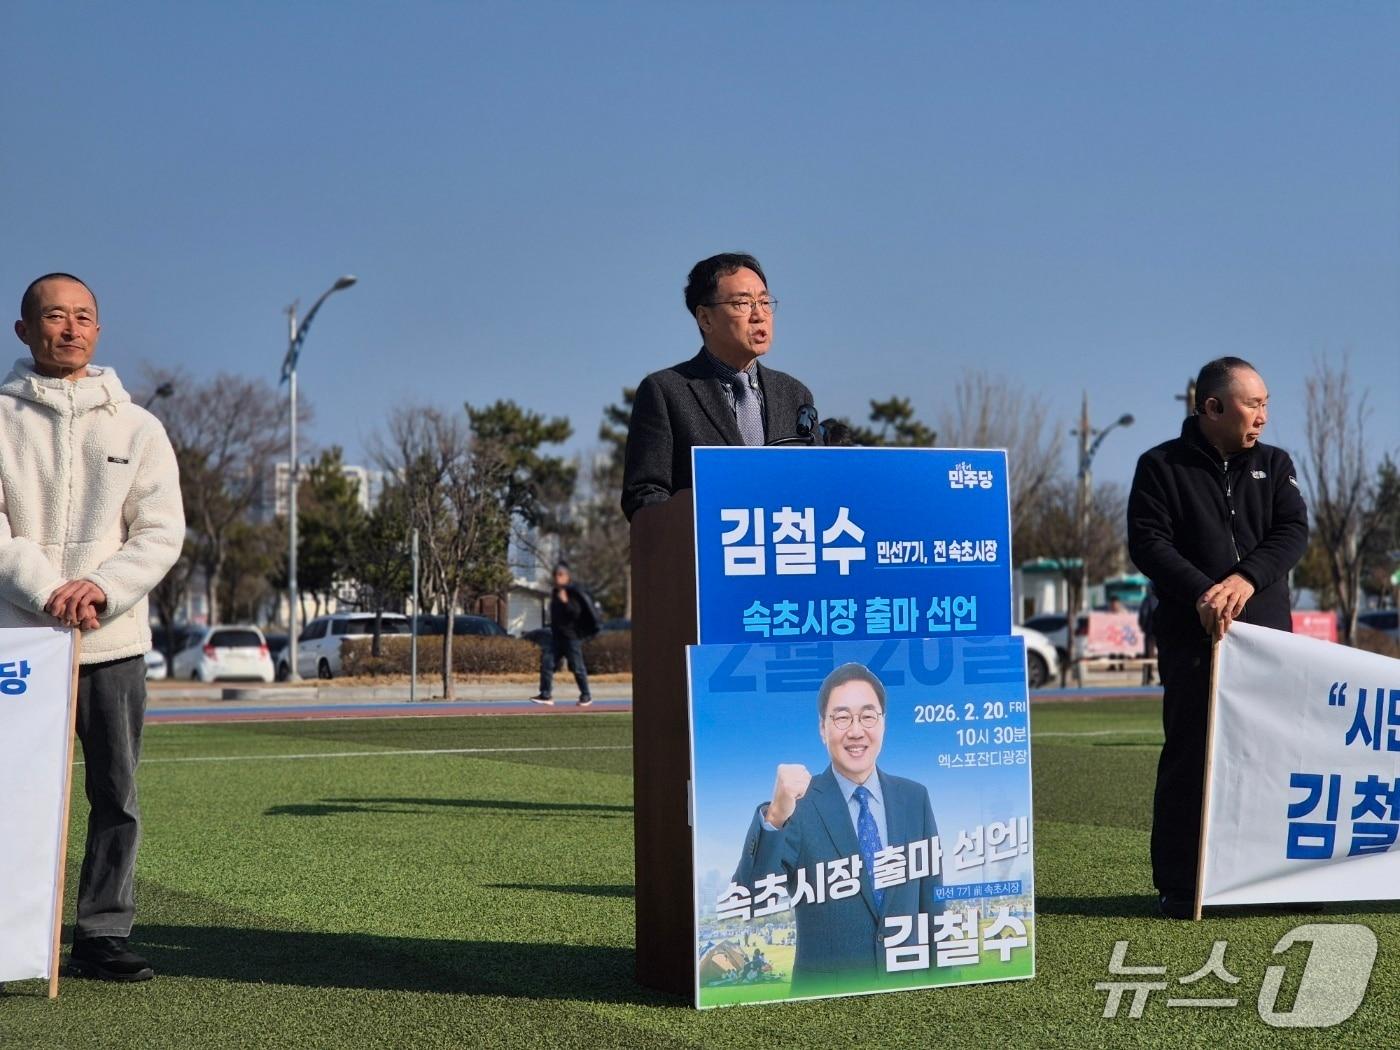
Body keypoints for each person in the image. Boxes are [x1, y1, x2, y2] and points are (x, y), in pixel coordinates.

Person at [2, 274, 184, 979]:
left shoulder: (138, 426)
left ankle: (102, 934)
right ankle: (14, 937)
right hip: (19, 639)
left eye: (84, 316)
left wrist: (100, 589)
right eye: (55, 316)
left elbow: (160, 532)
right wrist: (47, 590)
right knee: (12, 790)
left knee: (115, 792)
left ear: (99, 331)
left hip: (112, 642)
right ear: (24, 330)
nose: (71, 328)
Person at [1127, 357, 1308, 919]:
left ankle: (1273, 879)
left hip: (1267, 641)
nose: (1263, 415)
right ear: (1212, 407)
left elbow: (1293, 532)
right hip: (1193, 639)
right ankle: (1183, 886)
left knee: (1273, 757)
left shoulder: (1275, 464)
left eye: (1265, 403)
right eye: (1253, 404)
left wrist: (1244, 580)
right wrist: (1204, 593)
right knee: (1192, 756)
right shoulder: (1160, 466)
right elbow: (1148, 543)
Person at [732, 663, 941, 992]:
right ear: (822, 728)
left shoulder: (914, 798)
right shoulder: (797, 805)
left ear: (883, 723)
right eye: (842, 718)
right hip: (824, 1000)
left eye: (867, 716)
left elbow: (933, 908)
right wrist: (775, 816)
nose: (856, 731)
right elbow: (749, 901)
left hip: (905, 992)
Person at [621, 252, 815, 521]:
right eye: (743, 303)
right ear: (705, 319)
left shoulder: (794, 394)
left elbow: (816, 486)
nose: (759, 315)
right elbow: (644, 494)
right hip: (705, 544)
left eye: (764, 302)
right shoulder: (665, 392)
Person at [529, 564, 597, 707]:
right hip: (557, 637)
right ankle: (545, 695)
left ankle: (586, 696)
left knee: (577, 667)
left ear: (567, 576)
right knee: (547, 664)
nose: (557, 577)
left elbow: (577, 613)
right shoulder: (555, 592)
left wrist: (566, 602)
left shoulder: (572, 592)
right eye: (556, 574)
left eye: (560, 574)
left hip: (571, 638)